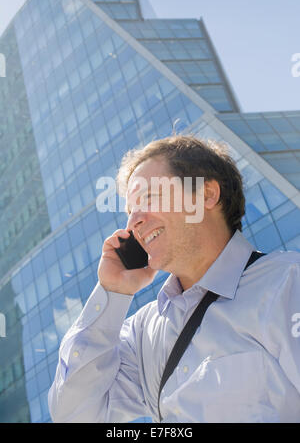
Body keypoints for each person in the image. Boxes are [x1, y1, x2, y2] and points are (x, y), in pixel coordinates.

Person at [48, 135, 300, 423]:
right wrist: (112, 292)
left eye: (150, 198)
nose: (133, 223)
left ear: (206, 195)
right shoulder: (143, 333)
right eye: (131, 211)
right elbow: (74, 415)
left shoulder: (288, 283)